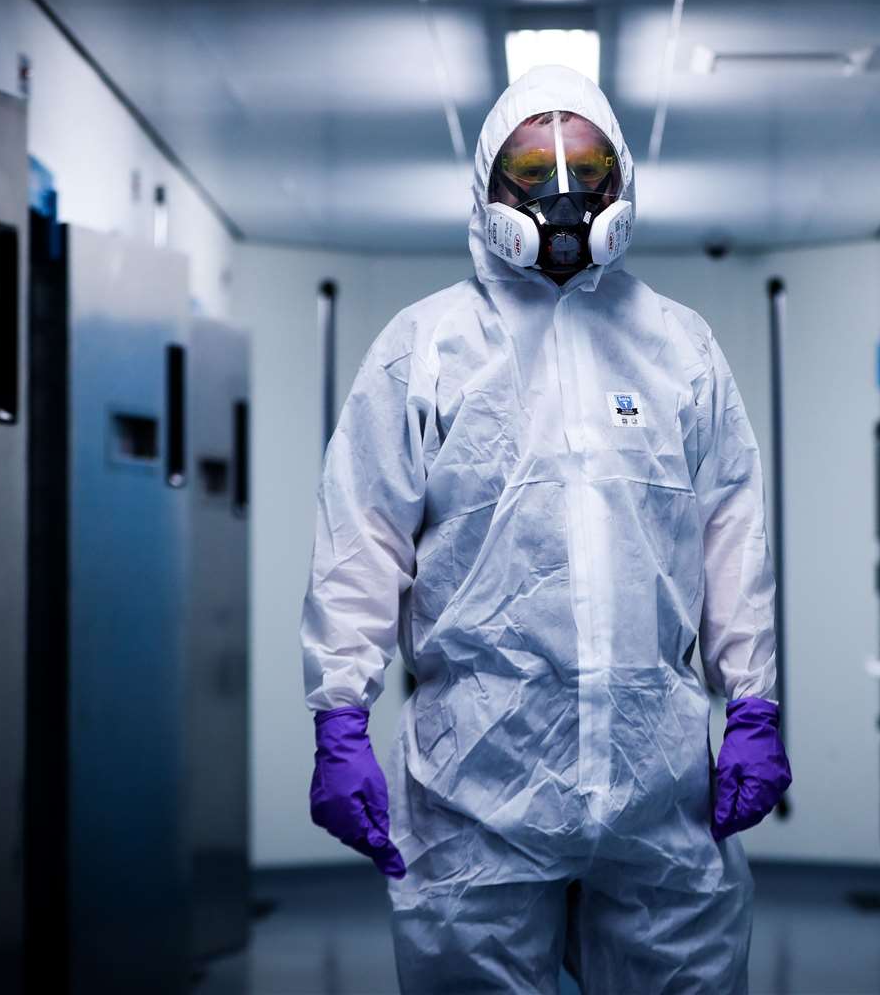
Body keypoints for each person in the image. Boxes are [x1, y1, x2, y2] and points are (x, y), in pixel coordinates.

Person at [300, 63, 792, 994]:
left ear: (624, 184)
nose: (562, 199)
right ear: (487, 186)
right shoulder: (428, 348)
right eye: (530, 174)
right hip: (476, 781)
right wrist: (340, 715)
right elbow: (359, 539)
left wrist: (754, 703)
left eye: (588, 170)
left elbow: (734, 536)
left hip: (660, 779)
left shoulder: (679, 346)